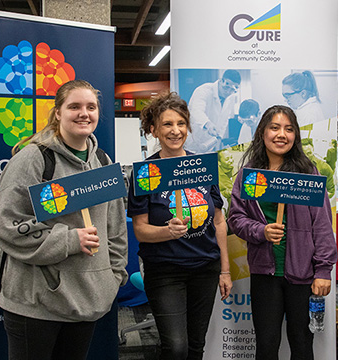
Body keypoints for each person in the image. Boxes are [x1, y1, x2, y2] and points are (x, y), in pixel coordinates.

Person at [0, 80, 128, 360]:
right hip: (36, 303)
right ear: (58, 113)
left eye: (91, 107)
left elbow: (116, 229)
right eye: (74, 106)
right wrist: (68, 240)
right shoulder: (33, 159)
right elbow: (3, 225)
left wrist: (113, 277)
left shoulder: (103, 161)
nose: (84, 114)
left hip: (87, 300)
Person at [127, 92, 232, 360]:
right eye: (167, 124)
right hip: (165, 271)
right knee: (175, 347)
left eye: (181, 124)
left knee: (196, 346)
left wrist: (225, 270)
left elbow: (218, 221)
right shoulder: (145, 173)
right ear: (153, 130)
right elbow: (140, 229)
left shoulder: (202, 167)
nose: (176, 131)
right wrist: (166, 232)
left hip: (205, 268)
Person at [228, 105, 337, 360]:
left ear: (295, 135)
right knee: (266, 345)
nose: (281, 134)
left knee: (301, 343)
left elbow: (322, 224)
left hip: (303, 274)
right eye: (274, 128)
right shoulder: (249, 175)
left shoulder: (307, 173)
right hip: (265, 272)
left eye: (289, 129)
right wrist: (261, 231)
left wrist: (323, 270)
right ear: (262, 133)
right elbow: (235, 218)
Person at [185, 70, 241, 153]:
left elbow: (224, 120)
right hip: (193, 141)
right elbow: (196, 111)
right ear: (221, 81)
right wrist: (208, 124)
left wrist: (219, 137)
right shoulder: (204, 90)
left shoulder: (230, 98)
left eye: (232, 90)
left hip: (210, 144)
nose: (228, 92)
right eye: (226, 88)